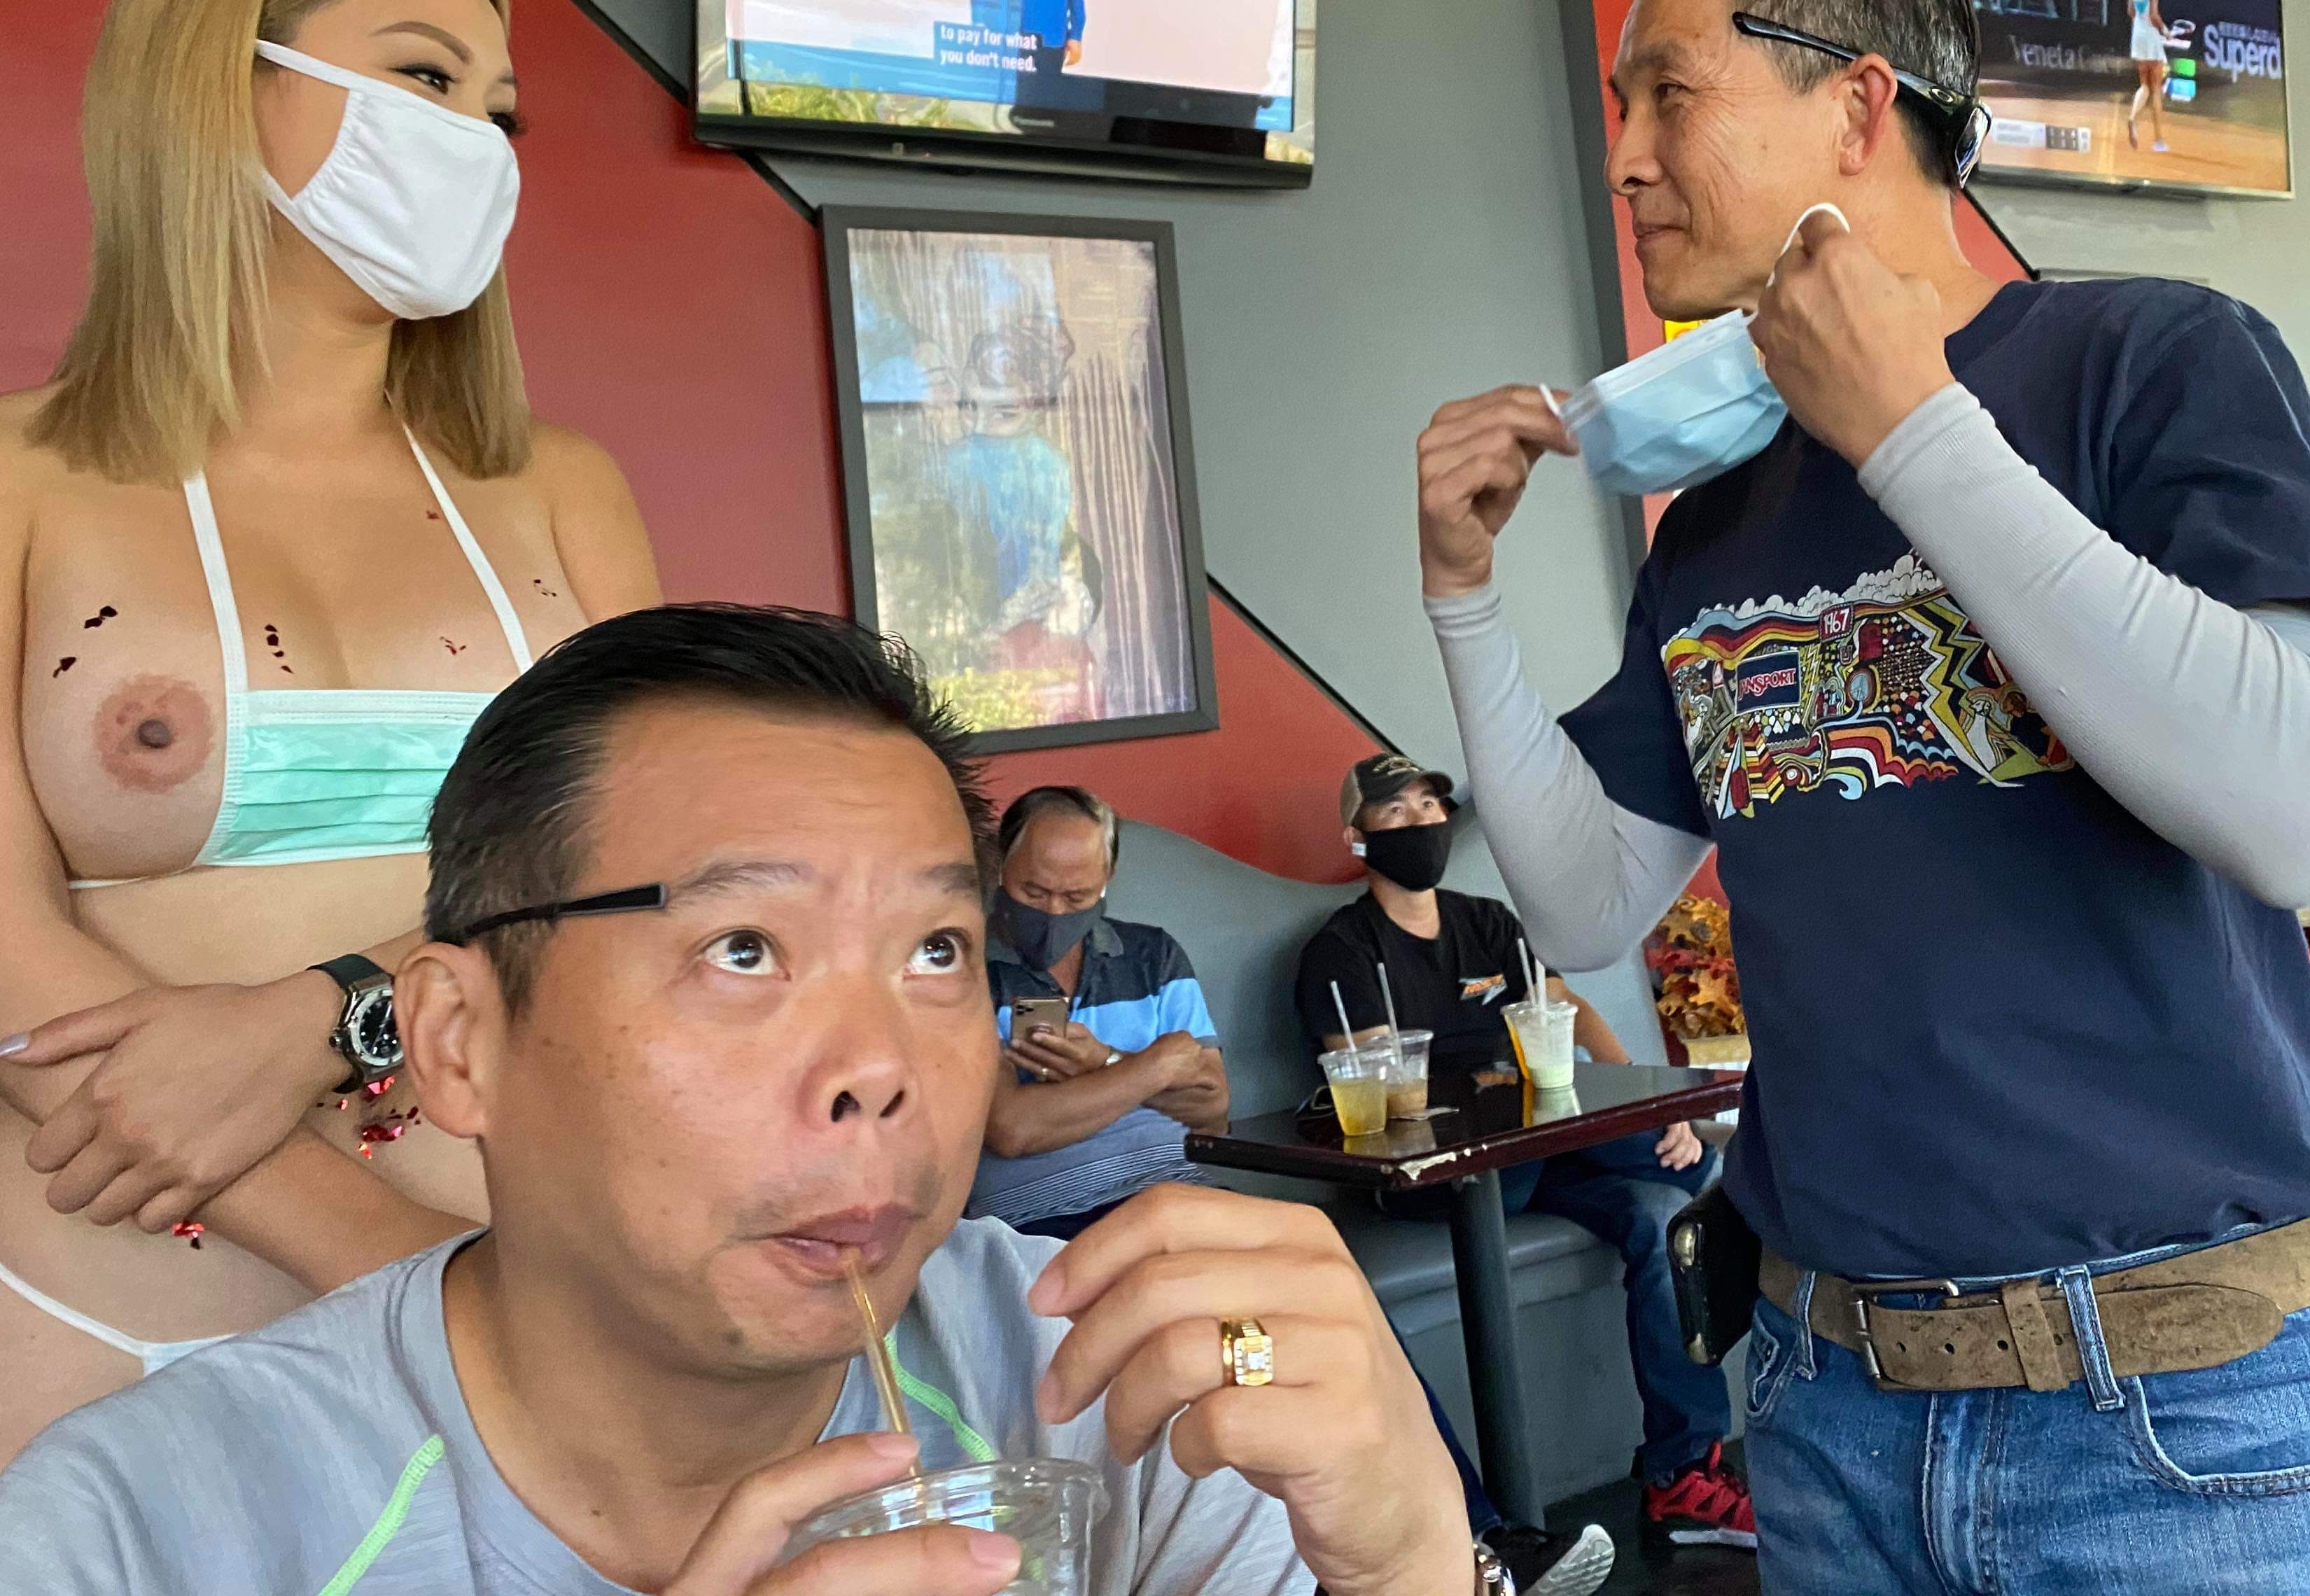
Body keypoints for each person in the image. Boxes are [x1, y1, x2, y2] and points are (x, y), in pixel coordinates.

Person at [1413, 0, 2310, 1593]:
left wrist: (1910, 428)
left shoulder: (2154, 359)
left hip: (2187, 1405)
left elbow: (2305, 814)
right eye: (1619, 108)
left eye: (1671, 93)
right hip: (1827, 1407)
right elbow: (1587, 905)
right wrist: (1462, 598)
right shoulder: (1714, 522)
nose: (1627, 158)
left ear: (1856, 106)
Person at [0, 603, 1486, 1596]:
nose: (877, 1065)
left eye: (934, 951)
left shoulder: (1116, 1398)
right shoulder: (139, 1535)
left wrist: (1420, 1561)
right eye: (744, 948)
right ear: (459, 1042)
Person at [0, 0, 658, 1460]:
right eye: (424, 77)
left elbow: (647, 864)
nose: (475, 143)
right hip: (99, 1326)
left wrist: (325, 1013)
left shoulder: (565, 491)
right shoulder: (18, 482)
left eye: (498, 110)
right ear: (216, 81)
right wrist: (376, 1259)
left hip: (517, 1301)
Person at [1294, 753, 1749, 1553]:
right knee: (1681, 1168)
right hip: (1439, 1174)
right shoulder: (1342, 951)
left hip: (1537, 1148)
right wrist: (1510, 1094)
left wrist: (1642, 1096)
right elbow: (1384, 1092)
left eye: (1429, 807)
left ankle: (1682, 1475)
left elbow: (1565, 1012)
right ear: (1356, 838)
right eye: (1394, 813)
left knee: (1666, 1210)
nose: (1419, 825)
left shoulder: (1486, 923)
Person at [971, 784, 1228, 1240]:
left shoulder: (1153, 956)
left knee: (1315, 1258)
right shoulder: (966, 968)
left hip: (1176, 1190)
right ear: (1000, 863)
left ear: (1107, 876)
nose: (1054, 912)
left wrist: (1104, 1063)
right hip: (1040, 1217)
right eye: (1034, 892)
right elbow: (1011, 1129)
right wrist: (1156, 1065)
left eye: (1076, 898)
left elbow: (1212, 1107)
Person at [2125, 0, 2169, 153]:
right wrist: (2165, 30)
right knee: (2157, 90)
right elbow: (2154, 15)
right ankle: (2159, 141)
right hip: (2151, 37)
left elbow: (2131, 11)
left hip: (2138, 36)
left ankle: (2133, 118)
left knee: (2144, 85)